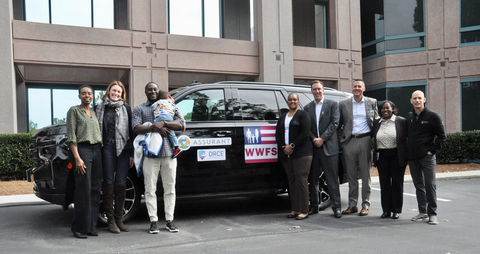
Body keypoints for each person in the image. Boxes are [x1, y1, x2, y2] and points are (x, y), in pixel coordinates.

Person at [132, 82, 185, 233]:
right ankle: (153, 221)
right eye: (150, 89)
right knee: (150, 189)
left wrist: (164, 123)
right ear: (145, 91)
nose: (152, 91)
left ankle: (170, 220)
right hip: (150, 154)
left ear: (158, 91)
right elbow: (136, 128)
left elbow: (181, 124)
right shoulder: (140, 109)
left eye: (155, 89)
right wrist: (156, 128)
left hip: (169, 154)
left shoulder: (169, 104)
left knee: (170, 189)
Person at [95, 81, 134, 233]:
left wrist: (131, 153)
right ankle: (110, 220)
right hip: (107, 148)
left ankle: (119, 219)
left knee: (121, 183)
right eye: (114, 91)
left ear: (122, 94)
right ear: (109, 91)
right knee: (109, 182)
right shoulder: (99, 108)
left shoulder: (126, 109)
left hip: (123, 149)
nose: (116, 93)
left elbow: (131, 133)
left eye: (119, 92)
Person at [338, 79, 379, 216]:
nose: (357, 88)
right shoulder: (343, 104)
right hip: (349, 142)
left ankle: (365, 205)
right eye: (355, 86)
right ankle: (352, 205)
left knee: (366, 175)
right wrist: (342, 140)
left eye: (359, 86)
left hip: (365, 140)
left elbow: (377, 121)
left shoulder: (372, 102)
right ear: (352, 88)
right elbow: (338, 124)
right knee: (351, 175)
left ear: (364, 88)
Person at [66, 85, 102, 239]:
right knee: (83, 190)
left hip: (97, 151)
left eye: (89, 93)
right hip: (83, 151)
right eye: (84, 93)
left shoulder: (93, 113)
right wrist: (77, 158)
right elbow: (71, 136)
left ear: (93, 96)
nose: (87, 95)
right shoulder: (74, 111)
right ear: (79, 96)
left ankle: (91, 227)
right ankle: (79, 228)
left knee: (95, 189)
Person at [304, 80, 342, 218]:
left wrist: (322, 138)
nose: (317, 91)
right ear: (312, 91)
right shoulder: (307, 107)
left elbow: (334, 123)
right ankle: (314, 207)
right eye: (314, 89)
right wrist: (314, 138)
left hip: (329, 148)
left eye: (319, 89)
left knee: (332, 180)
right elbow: (306, 126)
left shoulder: (332, 105)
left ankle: (337, 207)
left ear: (323, 90)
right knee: (313, 180)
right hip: (313, 148)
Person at [407, 90, 446, 225]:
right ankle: (422, 212)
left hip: (427, 157)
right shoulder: (410, 117)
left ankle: (432, 213)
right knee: (419, 185)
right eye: (414, 98)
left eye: (419, 98)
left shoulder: (433, 116)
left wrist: (431, 151)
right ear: (411, 101)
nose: (417, 100)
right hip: (413, 158)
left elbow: (442, 137)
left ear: (424, 100)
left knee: (430, 184)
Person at [275, 93, 313, 220]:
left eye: (295, 100)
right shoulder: (282, 117)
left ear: (298, 101)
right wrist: (285, 148)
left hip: (302, 153)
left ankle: (304, 210)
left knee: (301, 180)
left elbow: (305, 133)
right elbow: (277, 135)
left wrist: (292, 145)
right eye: (290, 100)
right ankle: (295, 209)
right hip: (286, 154)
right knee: (291, 181)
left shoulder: (303, 115)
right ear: (287, 101)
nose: (292, 102)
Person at [372, 100, 407, 219]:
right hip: (382, 156)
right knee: (384, 183)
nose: (385, 110)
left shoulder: (401, 121)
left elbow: (406, 139)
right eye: (382, 108)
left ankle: (396, 210)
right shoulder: (377, 122)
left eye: (387, 108)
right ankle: (386, 210)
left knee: (397, 183)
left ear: (393, 109)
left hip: (396, 155)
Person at [151, 90, 183, 158]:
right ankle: (177, 147)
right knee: (171, 133)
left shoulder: (158, 102)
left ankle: (153, 150)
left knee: (155, 133)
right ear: (169, 96)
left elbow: (152, 107)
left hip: (159, 118)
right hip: (169, 118)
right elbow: (179, 114)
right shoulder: (172, 104)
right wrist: (184, 123)